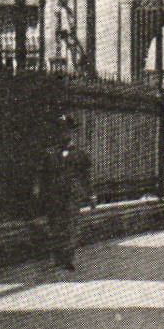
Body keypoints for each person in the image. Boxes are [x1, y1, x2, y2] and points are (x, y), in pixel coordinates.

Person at [43, 115, 91, 270]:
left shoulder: (80, 154)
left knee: (71, 225)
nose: (64, 134)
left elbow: (86, 176)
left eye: (67, 131)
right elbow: (43, 174)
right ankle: (57, 258)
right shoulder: (49, 153)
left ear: (73, 133)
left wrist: (91, 195)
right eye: (61, 131)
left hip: (72, 195)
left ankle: (68, 258)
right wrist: (39, 190)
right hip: (55, 194)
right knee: (56, 225)